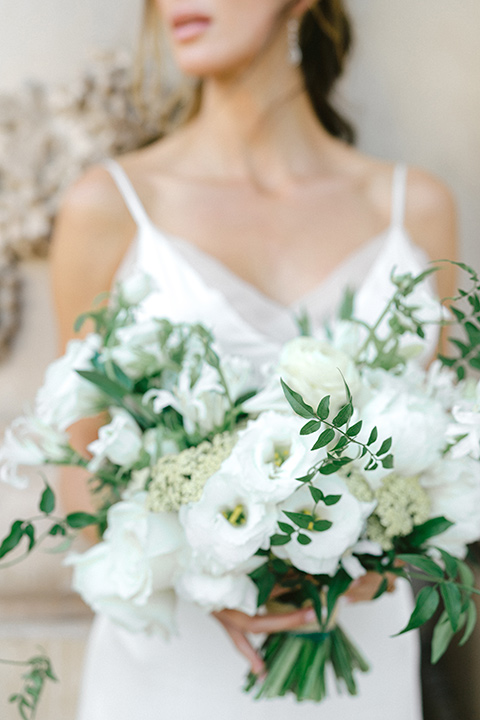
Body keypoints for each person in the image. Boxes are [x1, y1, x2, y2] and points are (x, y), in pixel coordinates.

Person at [50, 0, 457, 718]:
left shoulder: (414, 209)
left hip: (358, 663)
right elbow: (77, 463)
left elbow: (447, 454)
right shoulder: (108, 207)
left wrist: (387, 550)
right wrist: (198, 578)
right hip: (171, 672)